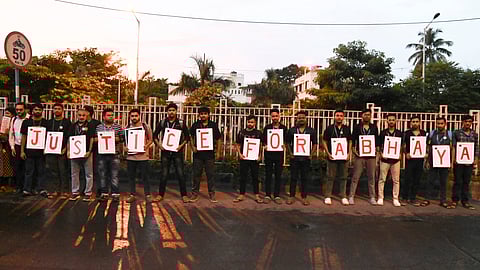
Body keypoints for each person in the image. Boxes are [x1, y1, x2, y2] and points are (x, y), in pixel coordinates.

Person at [153, 103, 190, 203]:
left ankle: (184, 195)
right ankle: (160, 195)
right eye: (169, 110)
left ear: (176, 111)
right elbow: (154, 136)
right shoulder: (163, 122)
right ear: (167, 112)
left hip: (177, 152)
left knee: (180, 173)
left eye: (173, 110)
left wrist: (180, 146)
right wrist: (159, 145)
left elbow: (187, 138)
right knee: (164, 174)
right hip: (166, 152)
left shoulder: (181, 123)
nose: (171, 112)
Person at [188, 106, 222, 203]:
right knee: (196, 174)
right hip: (198, 154)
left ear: (208, 115)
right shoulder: (196, 124)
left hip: (209, 154)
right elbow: (190, 136)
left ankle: (212, 194)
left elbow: (219, 138)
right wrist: (192, 147)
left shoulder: (213, 125)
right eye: (201, 114)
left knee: (210, 174)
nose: (203, 115)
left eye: (205, 113)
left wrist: (218, 151)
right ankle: (195, 194)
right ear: (199, 115)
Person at [286, 111, 317, 206]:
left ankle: (304, 197)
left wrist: (311, 154)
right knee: (293, 177)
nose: (301, 119)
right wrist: (290, 153)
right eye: (299, 118)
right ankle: (291, 196)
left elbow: (315, 143)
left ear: (306, 119)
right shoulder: (292, 130)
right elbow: (287, 143)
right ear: (296, 119)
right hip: (295, 158)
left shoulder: (311, 130)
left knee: (304, 178)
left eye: (303, 117)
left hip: (306, 158)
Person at [322, 109, 352, 206]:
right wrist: (327, 153)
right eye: (337, 115)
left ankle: (343, 196)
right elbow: (324, 141)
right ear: (334, 117)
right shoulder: (329, 128)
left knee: (344, 177)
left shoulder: (347, 128)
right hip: (332, 156)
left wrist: (349, 153)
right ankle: (328, 196)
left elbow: (350, 141)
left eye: (341, 115)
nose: (339, 117)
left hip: (343, 156)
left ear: (343, 117)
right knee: (330, 176)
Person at [349, 109, 379, 205]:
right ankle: (351, 196)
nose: (367, 116)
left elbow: (377, 141)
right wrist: (354, 151)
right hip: (360, 155)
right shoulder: (357, 127)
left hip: (371, 155)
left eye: (369, 115)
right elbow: (353, 140)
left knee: (371, 177)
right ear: (362, 116)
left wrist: (376, 151)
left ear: (370, 116)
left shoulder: (374, 127)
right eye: (365, 114)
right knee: (355, 176)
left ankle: (372, 197)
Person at [125, 109, 154, 203]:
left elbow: (151, 139)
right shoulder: (127, 127)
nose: (134, 118)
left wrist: (146, 146)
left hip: (143, 157)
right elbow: (125, 141)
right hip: (131, 157)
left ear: (139, 116)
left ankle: (148, 195)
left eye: (136, 116)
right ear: (130, 117)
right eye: (132, 116)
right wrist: (125, 148)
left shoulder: (145, 127)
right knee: (131, 177)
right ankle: (132, 194)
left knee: (145, 177)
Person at [233, 114, 264, 203]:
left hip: (254, 159)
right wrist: (240, 154)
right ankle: (241, 194)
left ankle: (257, 195)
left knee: (255, 177)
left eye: (252, 122)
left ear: (255, 123)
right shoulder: (242, 132)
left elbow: (262, 145)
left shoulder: (258, 133)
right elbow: (237, 144)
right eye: (249, 122)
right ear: (246, 122)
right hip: (244, 158)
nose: (250, 123)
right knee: (243, 177)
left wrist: (260, 156)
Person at [20, 103, 49, 197]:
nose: (37, 111)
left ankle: (41, 189)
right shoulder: (26, 122)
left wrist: (47, 148)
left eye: (39, 110)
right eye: (36, 110)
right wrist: (22, 151)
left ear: (42, 111)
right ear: (32, 111)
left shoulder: (45, 122)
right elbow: (23, 137)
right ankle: (27, 189)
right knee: (29, 171)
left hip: (41, 152)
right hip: (29, 151)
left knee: (41, 171)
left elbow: (49, 137)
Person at [67, 107, 95, 202]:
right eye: (80, 115)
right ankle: (75, 192)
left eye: (83, 115)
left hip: (86, 153)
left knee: (89, 173)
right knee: (74, 173)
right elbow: (69, 139)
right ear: (77, 115)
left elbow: (91, 139)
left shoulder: (90, 126)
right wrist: (68, 151)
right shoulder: (73, 126)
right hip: (75, 153)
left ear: (87, 116)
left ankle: (88, 193)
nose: (81, 117)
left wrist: (89, 151)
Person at [451, 115, 478, 210]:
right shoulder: (457, 133)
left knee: (466, 181)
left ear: (471, 123)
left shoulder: (474, 134)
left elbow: (476, 148)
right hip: (458, 161)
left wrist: (475, 159)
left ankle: (465, 201)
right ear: (463, 122)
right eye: (466, 121)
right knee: (457, 181)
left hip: (469, 161)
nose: (467, 123)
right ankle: (454, 200)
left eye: (469, 121)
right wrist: (453, 160)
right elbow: (454, 147)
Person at [425, 116, 453, 208]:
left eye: (441, 123)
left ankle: (443, 200)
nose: (440, 125)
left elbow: (452, 148)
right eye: (438, 123)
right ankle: (427, 199)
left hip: (444, 161)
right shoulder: (432, 133)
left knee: (443, 181)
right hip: (433, 160)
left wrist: (451, 162)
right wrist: (427, 160)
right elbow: (428, 147)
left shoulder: (449, 134)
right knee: (430, 181)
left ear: (445, 124)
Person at [96, 108, 123, 202]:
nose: (111, 117)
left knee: (114, 174)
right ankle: (104, 193)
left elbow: (122, 138)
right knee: (103, 174)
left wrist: (116, 139)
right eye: (108, 115)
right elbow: (95, 139)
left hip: (114, 154)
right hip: (102, 154)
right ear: (104, 116)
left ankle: (115, 193)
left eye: (112, 115)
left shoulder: (118, 127)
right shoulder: (99, 127)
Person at [46, 103, 72, 199]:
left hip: (62, 150)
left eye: (59, 109)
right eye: (55, 109)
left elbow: (69, 137)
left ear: (62, 110)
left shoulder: (67, 122)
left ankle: (65, 191)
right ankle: (55, 190)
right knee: (53, 171)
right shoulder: (49, 122)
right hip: (51, 150)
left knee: (63, 171)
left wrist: (65, 149)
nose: (57, 110)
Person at [262, 108, 288, 204]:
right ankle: (268, 195)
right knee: (268, 174)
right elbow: (263, 140)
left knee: (278, 175)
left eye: (276, 116)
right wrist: (265, 146)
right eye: (273, 116)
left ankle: (277, 195)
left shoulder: (284, 128)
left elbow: (286, 140)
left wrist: (284, 145)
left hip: (279, 155)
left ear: (279, 116)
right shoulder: (267, 128)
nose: (275, 118)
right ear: (271, 117)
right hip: (269, 154)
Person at [377, 114, 403, 207]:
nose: (391, 121)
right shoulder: (383, 132)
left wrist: (400, 154)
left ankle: (395, 198)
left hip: (395, 160)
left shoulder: (399, 133)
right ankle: (380, 197)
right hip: (385, 159)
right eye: (389, 120)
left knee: (396, 180)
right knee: (382, 179)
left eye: (393, 120)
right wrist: (381, 154)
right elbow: (379, 146)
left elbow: (401, 146)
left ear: (396, 121)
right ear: (386, 121)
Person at [401, 115, 428, 206]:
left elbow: (426, 145)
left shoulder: (424, 133)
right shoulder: (406, 133)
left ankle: (413, 198)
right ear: (410, 123)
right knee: (407, 178)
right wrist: (406, 153)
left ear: (419, 122)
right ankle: (404, 198)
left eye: (417, 121)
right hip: (410, 159)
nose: (415, 123)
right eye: (413, 122)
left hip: (419, 159)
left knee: (417, 179)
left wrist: (426, 153)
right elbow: (403, 145)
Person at [9, 102, 29, 194]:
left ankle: (27, 187)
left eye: (21, 109)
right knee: (17, 167)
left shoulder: (29, 119)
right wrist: (12, 146)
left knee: (27, 168)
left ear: (25, 109)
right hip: (17, 145)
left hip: (27, 146)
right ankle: (18, 186)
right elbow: (11, 133)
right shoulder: (13, 120)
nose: (19, 112)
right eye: (17, 110)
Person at [0, 107, 15, 192]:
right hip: (3, 147)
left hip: (9, 147)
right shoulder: (2, 122)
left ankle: (9, 184)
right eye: (5, 113)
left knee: (8, 165)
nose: (6, 115)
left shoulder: (14, 122)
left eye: (8, 114)